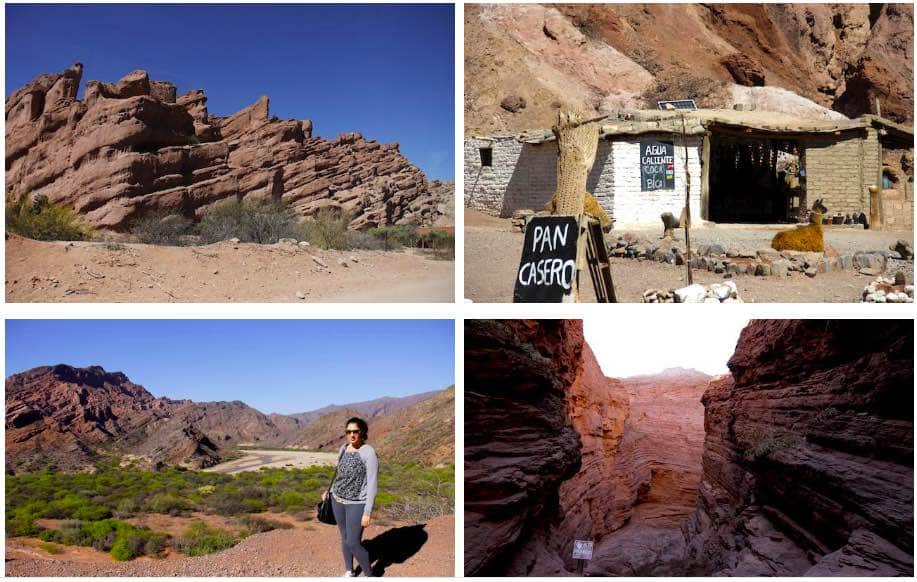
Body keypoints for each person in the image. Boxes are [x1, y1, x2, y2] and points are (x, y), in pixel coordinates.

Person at [323, 417, 378, 577]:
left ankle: (370, 575)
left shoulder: (368, 452)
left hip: (357, 503)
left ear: (362, 433)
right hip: (337, 500)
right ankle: (349, 571)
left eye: (355, 431)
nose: (352, 435)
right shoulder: (343, 448)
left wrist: (367, 512)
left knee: (353, 542)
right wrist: (330, 490)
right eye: (348, 432)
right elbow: (340, 474)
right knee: (345, 537)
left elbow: (372, 484)